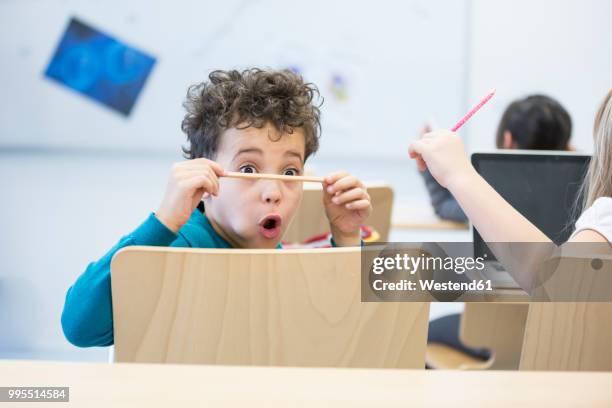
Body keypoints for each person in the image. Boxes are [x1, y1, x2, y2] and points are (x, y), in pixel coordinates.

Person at [61, 68, 372, 347]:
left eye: (290, 173)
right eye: (249, 170)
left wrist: (346, 236)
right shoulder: (179, 247)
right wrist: (164, 221)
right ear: (205, 177)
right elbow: (80, 328)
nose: (273, 191)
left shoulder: (282, 263)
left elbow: (349, 337)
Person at [421, 94, 573, 223]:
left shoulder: (498, 191)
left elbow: (444, 206)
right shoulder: (575, 188)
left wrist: (427, 166)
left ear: (508, 140)